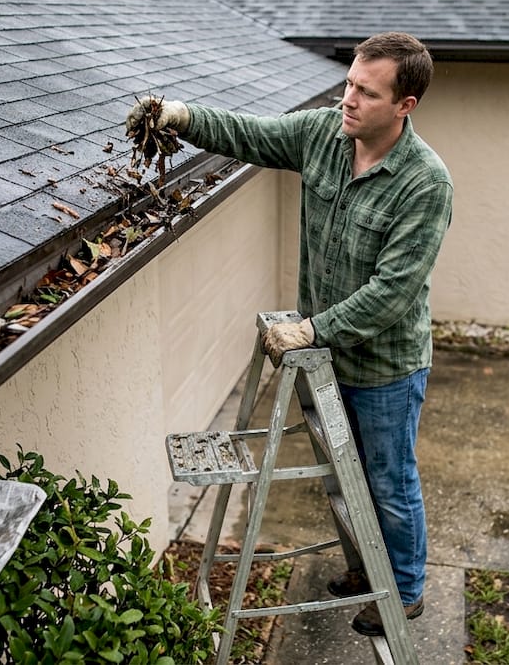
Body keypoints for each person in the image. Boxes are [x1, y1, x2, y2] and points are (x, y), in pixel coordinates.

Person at [126, 31, 453, 636]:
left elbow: (392, 294)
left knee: (388, 480)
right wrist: (182, 116)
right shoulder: (324, 135)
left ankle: (404, 590)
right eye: (350, 83)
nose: (348, 100)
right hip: (325, 355)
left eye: (367, 92)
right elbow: (250, 133)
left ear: (405, 105)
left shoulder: (425, 185)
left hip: (385, 366)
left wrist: (312, 330)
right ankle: (366, 568)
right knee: (344, 478)